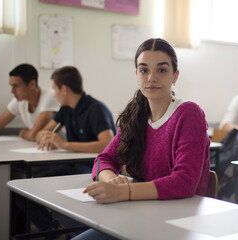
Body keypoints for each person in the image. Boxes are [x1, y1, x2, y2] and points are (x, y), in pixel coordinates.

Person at [73, 38, 210, 239]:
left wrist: (124, 192)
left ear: (175, 76)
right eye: (144, 70)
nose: (151, 78)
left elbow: (184, 182)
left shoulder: (189, 113)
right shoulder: (135, 114)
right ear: (136, 74)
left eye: (162, 70)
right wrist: (112, 181)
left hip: (178, 223)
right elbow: (104, 159)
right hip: (138, 214)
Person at [36, 66, 116, 153]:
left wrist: (64, 144)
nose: (54, 95)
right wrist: (45, 138)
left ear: (64, 89)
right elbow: (41, 133)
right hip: (74, 162)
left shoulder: (97, 110)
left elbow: (106, 144)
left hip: (93, 164)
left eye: (54, 89)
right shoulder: (65, 109)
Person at [0, 63, 59, 141]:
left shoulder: (50, 97)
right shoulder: (20, 100)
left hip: (62, 151)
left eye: (16, 86)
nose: (12, 91)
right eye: (11, 86)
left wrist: (23, 133)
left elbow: (33, 135)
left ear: (32, 84)